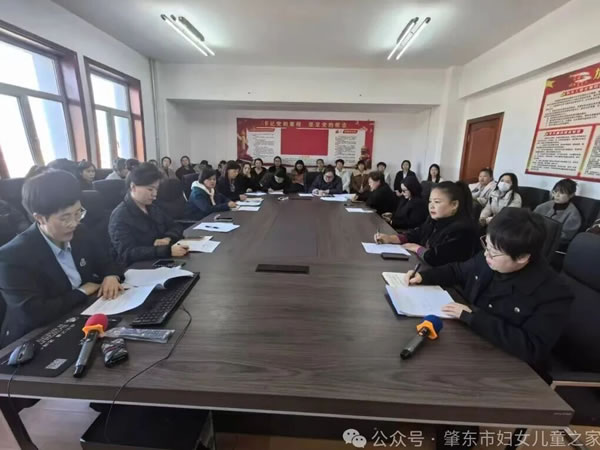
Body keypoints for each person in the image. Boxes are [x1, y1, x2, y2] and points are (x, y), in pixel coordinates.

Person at [406, 208, 574, 369]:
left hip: (507, 367)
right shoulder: (491, 258)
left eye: (493, 251)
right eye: (486, 245)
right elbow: (458, 270)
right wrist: (423, 277)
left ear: (522, 257)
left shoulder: (553, 293)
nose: (486, 254)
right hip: (470, 343)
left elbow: (532, 347)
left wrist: (473, 317)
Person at [0, 170, 124, 346]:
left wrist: (111, 275)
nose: (74, 223)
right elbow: (34, 313)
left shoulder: (80, 232)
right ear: (40, 218)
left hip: (81, 316)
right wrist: (82, 291)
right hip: (33, 338)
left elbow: (108, 261)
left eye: (78, 213)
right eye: (65, 218)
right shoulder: (11, 257)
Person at [375, 181, 478, 266]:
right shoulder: (434, 220)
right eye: (430, 201)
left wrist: (416, 248)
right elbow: (418, 233)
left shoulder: (463, 230)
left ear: (454, 204)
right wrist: (391, 238)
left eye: (437, 202)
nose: (431, 206)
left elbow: (436, 258)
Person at [109, 163, 188, 265]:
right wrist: (166, 251)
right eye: (150, 189)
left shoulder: (153, 207)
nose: (155, 194)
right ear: (133, 187)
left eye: (156, 189)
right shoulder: (120, 216)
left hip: (161, 262)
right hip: (139, 267)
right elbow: (127, 253)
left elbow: (175, 226)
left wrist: (168, 238)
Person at [534, 179, 582, 244]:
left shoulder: (573, 215)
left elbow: (565, 236)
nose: (557, 195)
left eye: (561, 193)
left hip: (551, 242)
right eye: (555, 191)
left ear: (571, 195)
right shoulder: (544, 206)